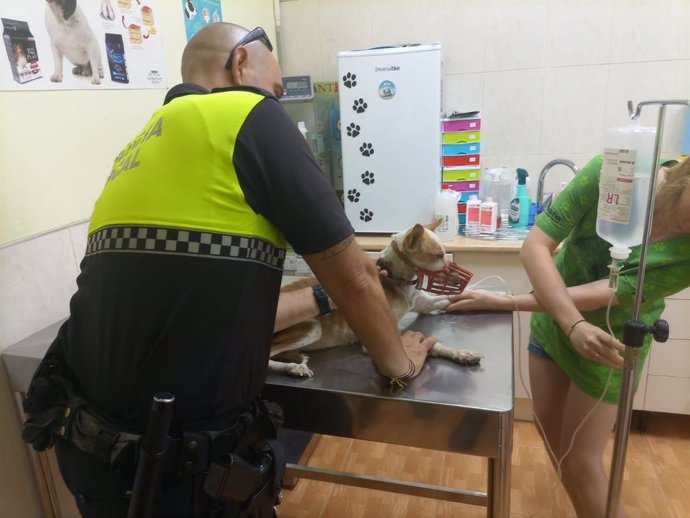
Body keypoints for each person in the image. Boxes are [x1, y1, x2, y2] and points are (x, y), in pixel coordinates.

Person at [22, 22, 436, 518]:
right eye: (277, 91)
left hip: (91, 454)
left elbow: (194, 295)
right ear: (241, 65)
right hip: (177, 470)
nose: (277, 104)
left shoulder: (137, 145)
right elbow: (353, 277)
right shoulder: (248, 114)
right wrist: (400, 367)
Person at [447, 156, 690, 517]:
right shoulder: (617, 171)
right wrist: (570, 323)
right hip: (553, 329)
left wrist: (510, 302)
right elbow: (535, 246)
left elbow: (609, 291)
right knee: (561, 453)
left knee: (584, 463)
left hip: (609, 347)